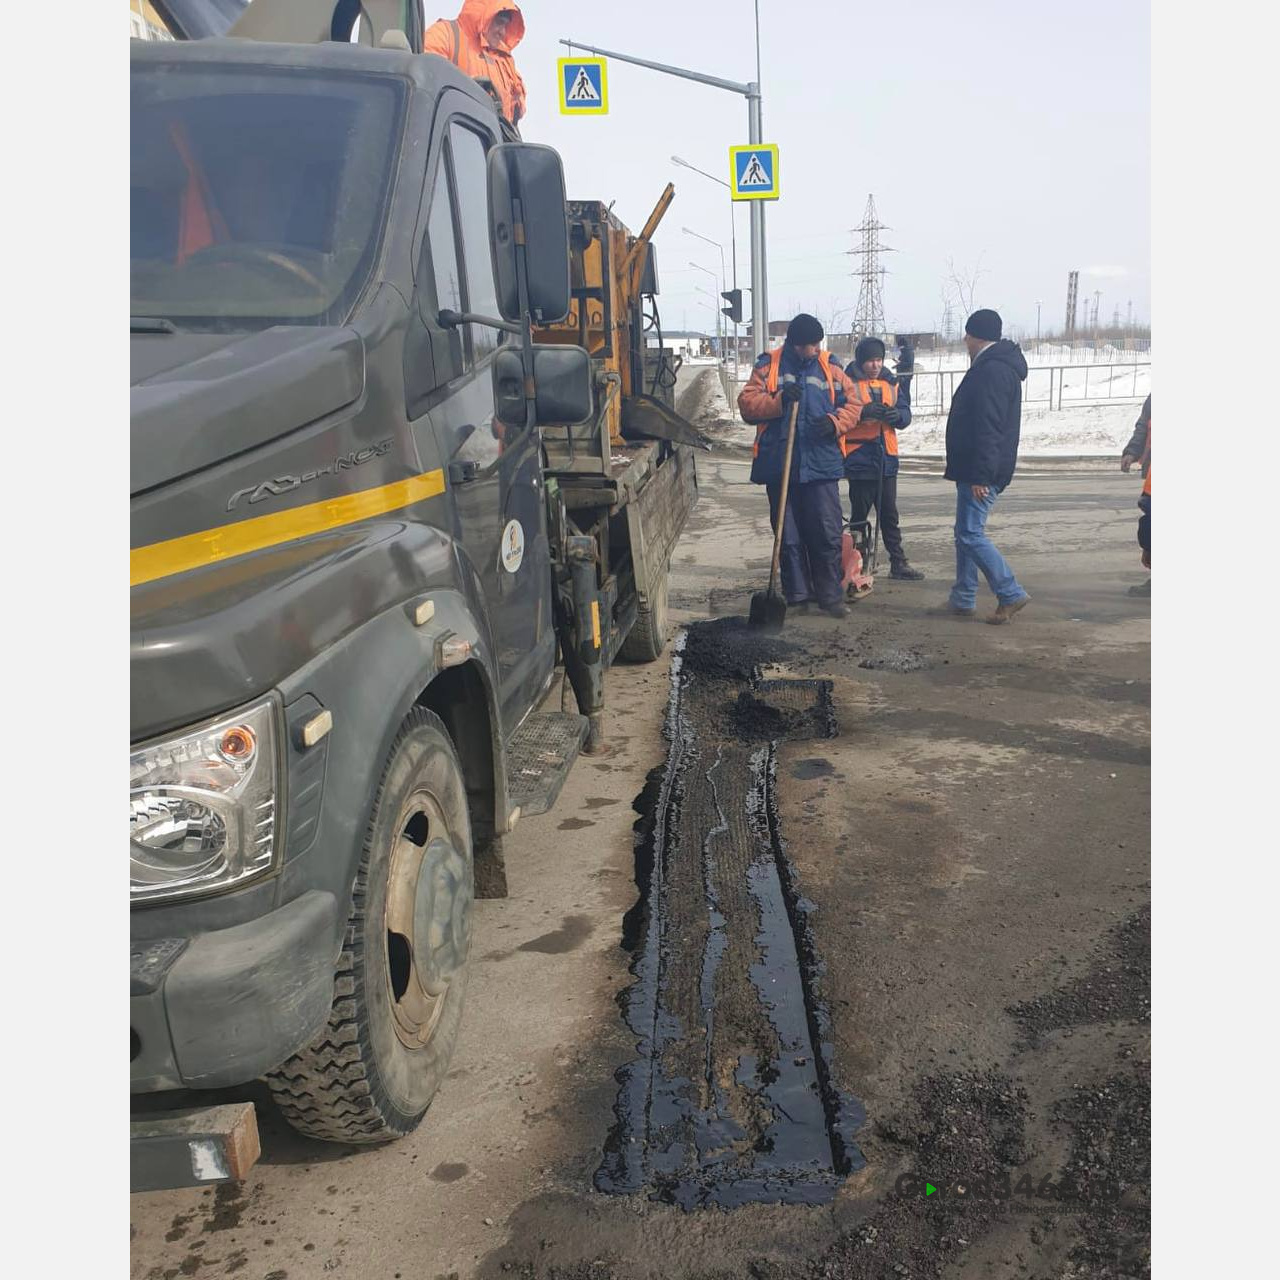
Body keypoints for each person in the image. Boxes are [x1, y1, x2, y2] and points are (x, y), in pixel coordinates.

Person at [739, 314, 863, 618]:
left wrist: (835, 423)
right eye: (808, 345)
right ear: (794, 344)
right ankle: (797, 596)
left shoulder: (830, 365)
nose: (814, 349)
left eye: (816, 344)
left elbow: (854, 404)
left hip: (821, 463)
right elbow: (747, 403)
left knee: (826, 532)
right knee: (788, 534)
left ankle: (830, 597)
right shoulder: (768, 365)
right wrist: (779, 401)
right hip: (779, 463)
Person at [935, 309, 1031, 624]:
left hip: (982, 470)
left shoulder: (992, 370)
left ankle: (1010, 592)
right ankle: (963, 596)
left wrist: (982, 475)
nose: (964, 339)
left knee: (970, 533)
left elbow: (989, 426)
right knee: (964, 532)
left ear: (977, 336)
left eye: (968, 334)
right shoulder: (995, 366)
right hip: (976, 467)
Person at [842, 337, 925, 580]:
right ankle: (856, 564)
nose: (875, 365)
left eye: (878, 359)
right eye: (870, 360)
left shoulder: (891, 383)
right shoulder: (848, 384)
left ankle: (898, 562)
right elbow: (838, 413)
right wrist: (862, 413)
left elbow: (905, 413)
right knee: (860, 515)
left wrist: (896, 416)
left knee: (889, 514)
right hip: (859, 458)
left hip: (886, 457)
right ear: (861, 361)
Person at [424, 2, 527, 127]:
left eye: (506, 25)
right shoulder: (446, 35)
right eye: (499, 22)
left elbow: (515, 114)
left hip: (492, 142)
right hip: (451, 132)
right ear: (484, 16)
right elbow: (426, 82)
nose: (503, 32)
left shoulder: (504, 62)